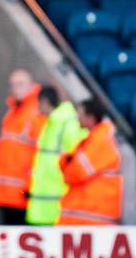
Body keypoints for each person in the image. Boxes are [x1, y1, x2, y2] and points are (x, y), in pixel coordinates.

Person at [0, 69, 46, 225]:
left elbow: (41, 154)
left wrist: (30, 185)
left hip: (25, 192)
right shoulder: (12, 113)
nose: (15, 89)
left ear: (31, 85)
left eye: (20, 84)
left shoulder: (36, 113)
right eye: (12, 85)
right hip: (9, 192)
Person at [26, 86, 86, 225]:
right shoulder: (51, 122)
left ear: (45, 102)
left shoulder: (67, 123)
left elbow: (76, 156)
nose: (36, 107)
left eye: (38, 103)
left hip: (57, 199)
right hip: (45, 198)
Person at [58, 99, 122, 225]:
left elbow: (74, 173)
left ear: (91, 118)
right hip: (88, 215)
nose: (77, 118)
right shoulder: (96, 137)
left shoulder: (101, 140)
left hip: (92, 217)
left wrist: (67, 161)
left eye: (80, 114)